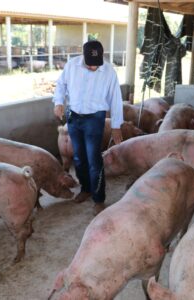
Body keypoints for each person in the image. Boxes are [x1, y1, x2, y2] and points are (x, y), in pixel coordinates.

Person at [53, 40, 124, 216]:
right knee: (78, 157)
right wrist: (59, 101)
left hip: (95, 117)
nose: (94, 67)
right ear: (83, 57)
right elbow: (61, 84)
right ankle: (86, 189)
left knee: (94, 159)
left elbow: (115, 99)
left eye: (97, 64)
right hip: (74, 115)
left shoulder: (108, 71)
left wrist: (116, 126)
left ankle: (98, 199)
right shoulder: (72, 65)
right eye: (90, 64)